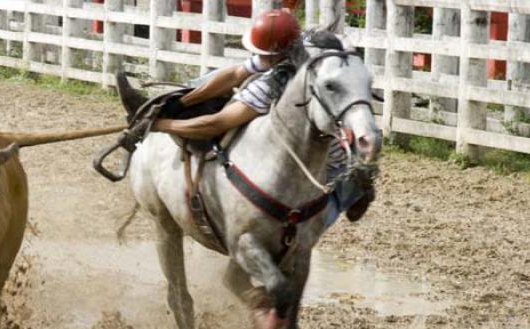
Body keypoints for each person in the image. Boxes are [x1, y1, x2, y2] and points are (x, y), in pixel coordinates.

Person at [115, 6, 375, 223]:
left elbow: (215, 124)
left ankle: (351, 190)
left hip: (325, 145)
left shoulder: (269, 86)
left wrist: (162, 125)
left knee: (339, 167)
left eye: (262, 55)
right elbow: (236, 73)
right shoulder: (315, 44)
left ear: (276, 56)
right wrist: (184, 100)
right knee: (364, 143)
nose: (257, 57)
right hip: (348, 111)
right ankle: (168, 99)